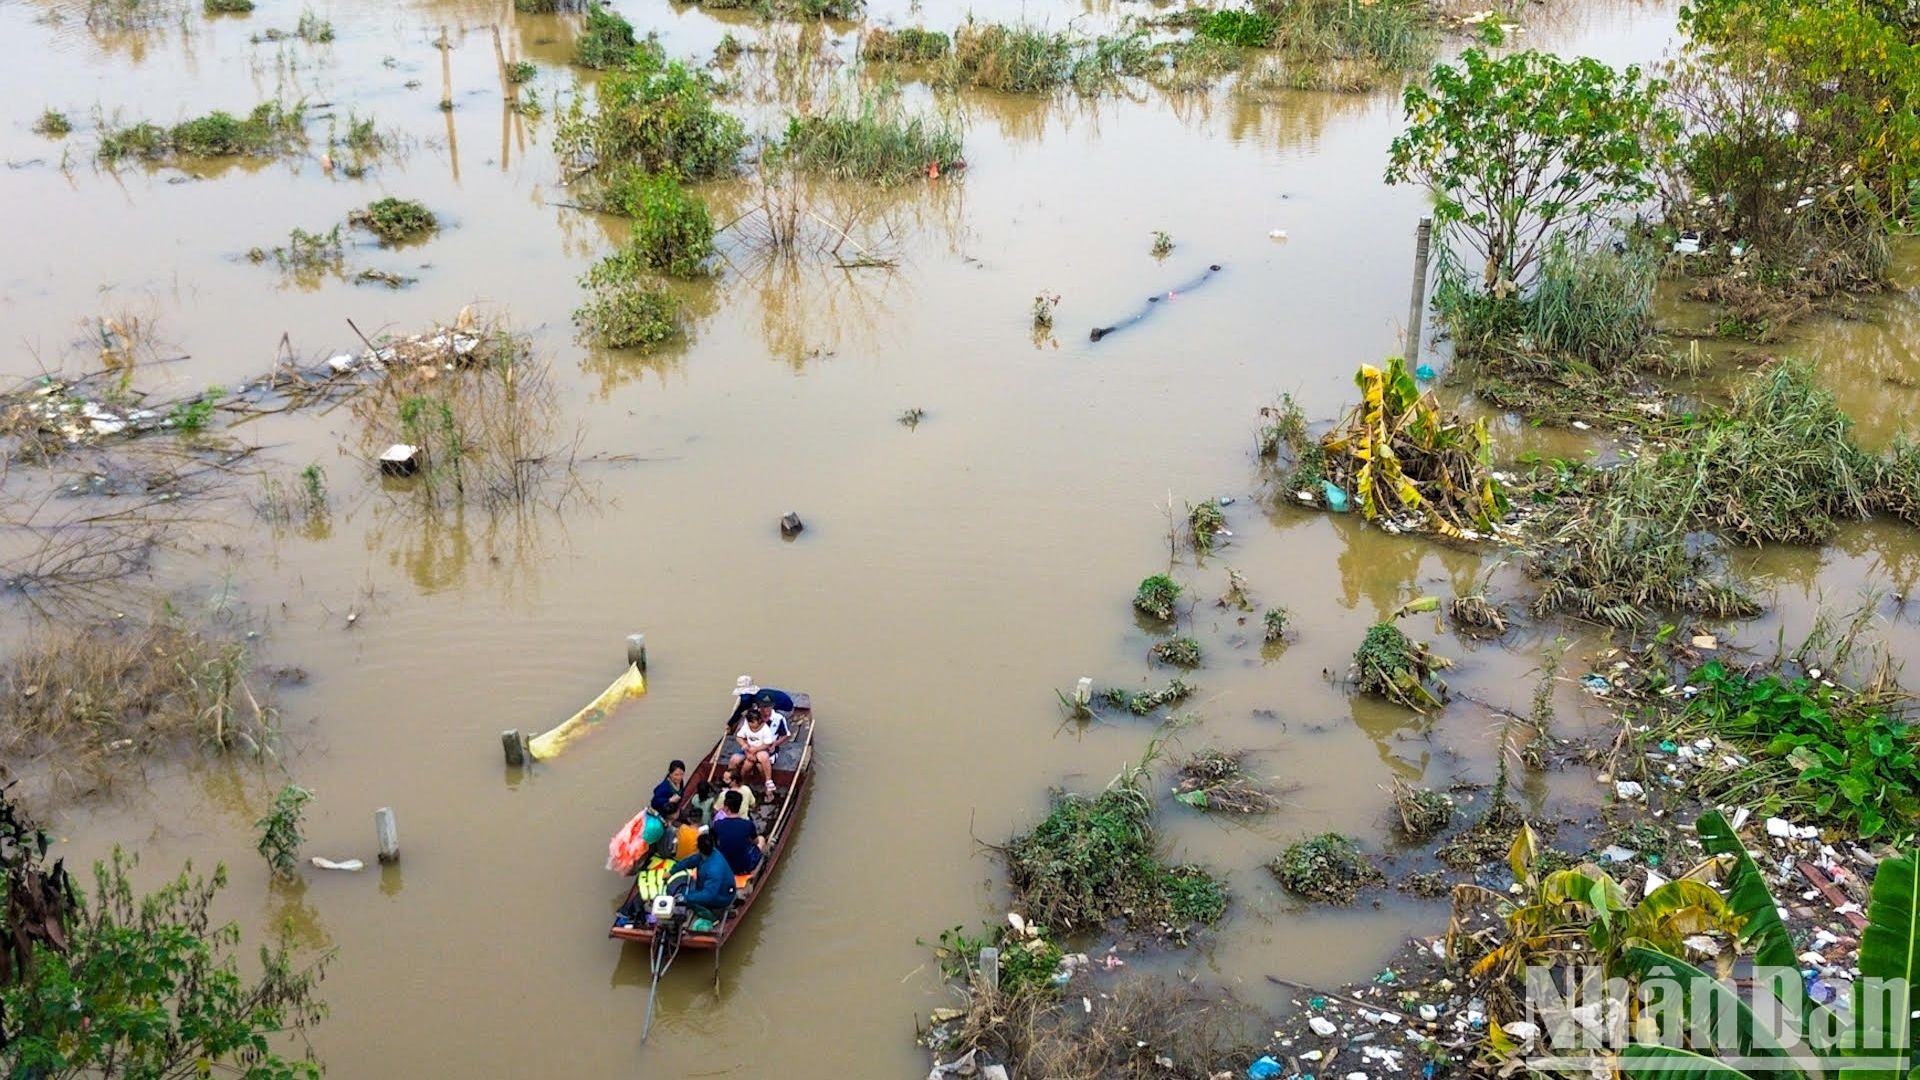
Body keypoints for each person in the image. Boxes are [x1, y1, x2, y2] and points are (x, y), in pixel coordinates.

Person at [667, 830, 735, 915]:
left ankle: (713, 914)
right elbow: (690, 861)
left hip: (722, 896)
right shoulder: (709, 853)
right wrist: (671, 872)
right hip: (709, 887)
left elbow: (709, 895)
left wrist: (685, 898)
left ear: (698, 848)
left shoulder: (714, 870)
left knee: (686, 898)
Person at [710, 790, 764, 875]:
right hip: (744, 866)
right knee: (761, 839)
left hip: (724, 865)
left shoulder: (717, 824)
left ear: (726, 808)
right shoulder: (748, 824)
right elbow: (756, 842)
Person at [729, 708, 780, 796]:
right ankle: (735, 781)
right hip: (748, 750)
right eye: (749, 722)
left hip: (761, 750)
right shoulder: (746, 727)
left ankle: (768, 782)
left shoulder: (765, 729)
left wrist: (756, 750)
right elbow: (739, 737)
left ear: (759, 720)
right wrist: (744, 746)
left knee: (762, 760)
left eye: (752, 722)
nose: (750, 724)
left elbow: (767, 744)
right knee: (735, 760)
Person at [727, 675, 796, 727]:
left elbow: (741, 708)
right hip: (782, 703)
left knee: (758, 720)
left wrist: (730, 723)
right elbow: (741, 708)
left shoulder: (761, 699)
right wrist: (730, 723)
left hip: (785, 711)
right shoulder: (758, 693)